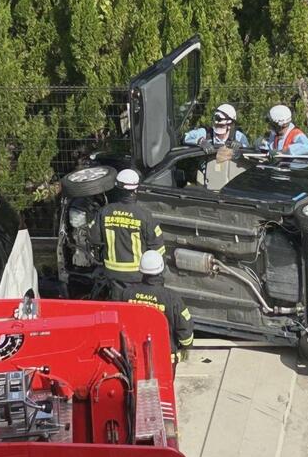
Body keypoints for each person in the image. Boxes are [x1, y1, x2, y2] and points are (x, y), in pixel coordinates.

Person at [88, 169, 165, 299]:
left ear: (117, 188)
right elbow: (158, 247)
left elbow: (93, 238)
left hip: (112, 274)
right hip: (138, 275)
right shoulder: (144, 216)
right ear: (135, 190)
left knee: (118, 309)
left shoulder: (104, 212)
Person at [116, 250, 194, 377]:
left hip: (134, 356)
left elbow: (119, 323)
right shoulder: (172, 298)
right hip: (164, 358)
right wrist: (186, 347)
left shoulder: (127, 293)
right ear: (161, 269)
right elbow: (185, 328)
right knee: (163, 390)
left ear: (141, 270)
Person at [184, 103, 250, 151]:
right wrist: (200, 141)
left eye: (221, 126)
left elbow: (248, 150)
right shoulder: (205, 133)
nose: (218, 129)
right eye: (217, 125)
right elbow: (185, 138)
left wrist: (241, 146)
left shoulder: (238, 136)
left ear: (230, 125)